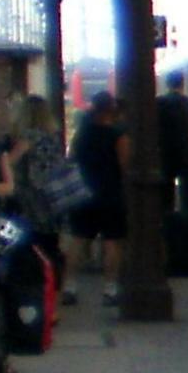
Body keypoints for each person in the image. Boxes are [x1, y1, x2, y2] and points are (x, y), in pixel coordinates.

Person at [66, 91, 128, 307]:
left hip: (83, 193)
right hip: (110, 193)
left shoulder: (81, 133)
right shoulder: (117, 134)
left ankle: (69, 287)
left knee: (78, 239)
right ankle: (110, 289)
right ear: (111, 110)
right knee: (112, 242)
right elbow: (124, 164)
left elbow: (72, 158)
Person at [9, 95, 66, 297]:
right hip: (54, 197)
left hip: (31, 200)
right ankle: (55, 286)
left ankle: (41, 288)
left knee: (35, 246)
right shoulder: (53, 137)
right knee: (51, 243)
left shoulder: (28, 137)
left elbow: (10, 162)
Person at [156, 70, 188, 217]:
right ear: (183, 83)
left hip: (164, 156)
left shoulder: (158, 103)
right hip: (186, 155)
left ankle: (168, 232)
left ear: (167, 84)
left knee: (165, 202)